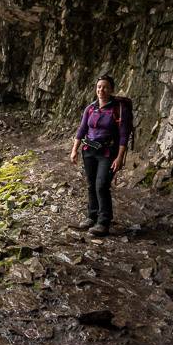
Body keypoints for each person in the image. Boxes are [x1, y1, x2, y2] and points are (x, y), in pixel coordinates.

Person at [69, 74, 129, 236]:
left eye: (105, 87)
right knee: (91, 184)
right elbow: (82, 129)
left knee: (101, 185)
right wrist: (75, 149)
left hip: (108, 153)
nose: (101, 90)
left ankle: (103, 222)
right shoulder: (90, 108)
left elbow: (124, 135)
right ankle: (92, 216)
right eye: (99, 87)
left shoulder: (119, 110)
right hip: (88, 151)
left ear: (111, 90)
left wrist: (120, 157)